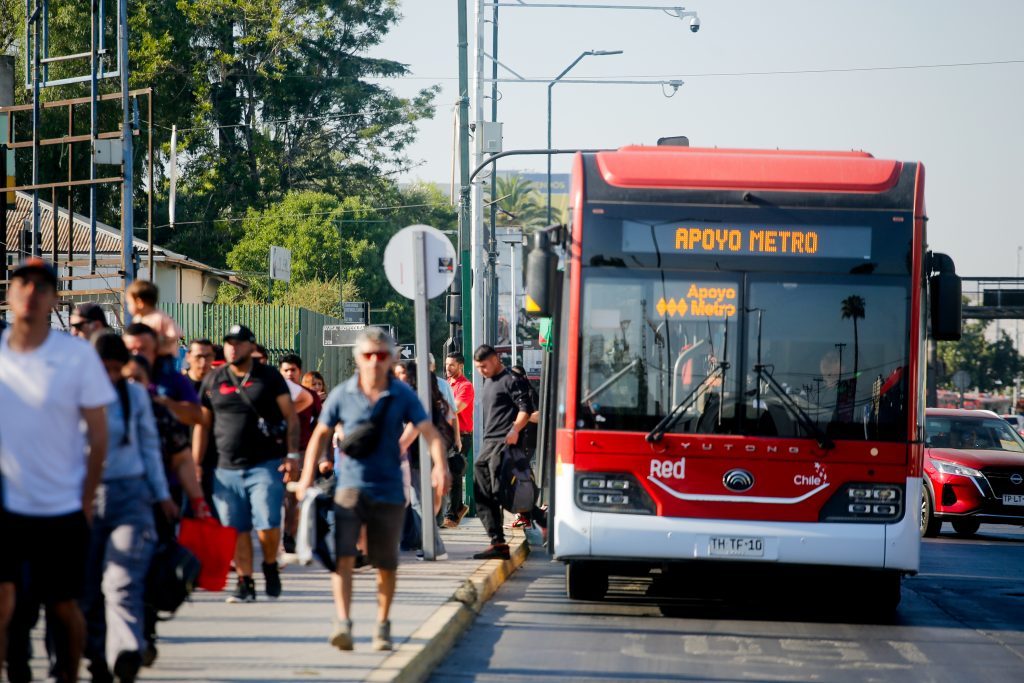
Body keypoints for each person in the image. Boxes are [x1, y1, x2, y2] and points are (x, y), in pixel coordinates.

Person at [296, 328, 450, 652]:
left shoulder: (402, 395)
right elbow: (319, 436)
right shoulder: (341, 394)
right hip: (349, 487)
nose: (375, 362)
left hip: (389, 490)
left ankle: (382, 624)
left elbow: (430, 432)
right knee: (343, 556)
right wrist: (307, 477)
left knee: (385, 562)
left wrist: (440, 466)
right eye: (368, 356)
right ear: (358, 358)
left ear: (391, 358)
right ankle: (343, 623)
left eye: (381, 356)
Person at [0, 258, 115, 683]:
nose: (31, 293)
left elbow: (98, 436)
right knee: (4, 601)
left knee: (64, 606)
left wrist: (85, 501)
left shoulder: (75, 357)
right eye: (23, 284)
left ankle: (68, 673)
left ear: (53, 298)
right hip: (6, 502)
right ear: (10, 293)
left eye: (42, 287)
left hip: (62, 504)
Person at [82, 333, 175, 683]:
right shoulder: (73, 396)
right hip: (83, 500)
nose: (108, 376)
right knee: (87, 588)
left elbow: (150, 448)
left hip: (131, 496)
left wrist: (161, 495)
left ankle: (125, 651)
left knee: (122, 582)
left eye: (114, 369)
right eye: (101, 369)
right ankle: (95, 659)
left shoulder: (135, 396)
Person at [194, 324, 300, 603]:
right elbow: (202, 426)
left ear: (251, 347)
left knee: (267, 522)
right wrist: (196, 463)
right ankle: (245, 581)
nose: (232, 347)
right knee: (235, 528)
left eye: (239, 343)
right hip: (224, 467)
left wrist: (292, 455)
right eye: (229, 342)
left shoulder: (269, 377)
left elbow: (291, 417)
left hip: (264, 464)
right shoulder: (214, 379)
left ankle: (268, 565)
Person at [471, 344, 547, 560]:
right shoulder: (488, 382)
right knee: (483, 493)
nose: (481, 371)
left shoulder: (510, 380)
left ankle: (539, 521)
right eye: (478, 368)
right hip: (489, 444)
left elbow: (525, 409)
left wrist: (515, 429)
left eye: (484, 366)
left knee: (501, 493)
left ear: (495, 359)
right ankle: (498, 542)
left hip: (505, 444)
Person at [398, 359, 457, 557]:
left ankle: (434, 545)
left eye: (401, 374)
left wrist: (400, 446)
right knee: (424, 500)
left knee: (419, 501)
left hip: (420, 452)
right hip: (429, 451)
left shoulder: (415, 397)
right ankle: (432, 542)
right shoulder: (428, 395)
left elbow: (415, 425)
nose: (398, 378)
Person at [278, 353, 322, 554]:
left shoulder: (309, 396)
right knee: (276, 497)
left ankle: (290, 535)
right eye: (285, 370)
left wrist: (321, 456)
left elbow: (322, 425)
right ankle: (277, 536)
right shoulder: (273, 395)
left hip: (303, 452)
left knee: (294, 498)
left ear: (299, 372)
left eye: (293, 370)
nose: (289, 374)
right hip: (277, 452)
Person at [123, 323, 201, 427]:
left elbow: (197, 416)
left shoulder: (172, 378)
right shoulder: (116, 377)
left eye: (143, 349)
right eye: (130, 350)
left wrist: (167, 404)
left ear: (155, 350)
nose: (136, 355)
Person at [443, 352, 474, 528]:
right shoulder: (447, 384)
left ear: (461, 366)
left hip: (461, 436)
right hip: (447, 434)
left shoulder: (466, 386)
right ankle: (459, 507)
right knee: (448, 474)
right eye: (447, 364)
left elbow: (456, 408)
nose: (448, 368)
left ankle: (451, 514)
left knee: (454, 475)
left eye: (452, 365)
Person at [126, 280, 183, 358]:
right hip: (145, 357)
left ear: (139, 303)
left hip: (162, 357)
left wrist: (159, 345)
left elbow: (174, 334)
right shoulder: (137, 319)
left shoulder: (159, 317)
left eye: (129, 303)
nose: (128, 306)